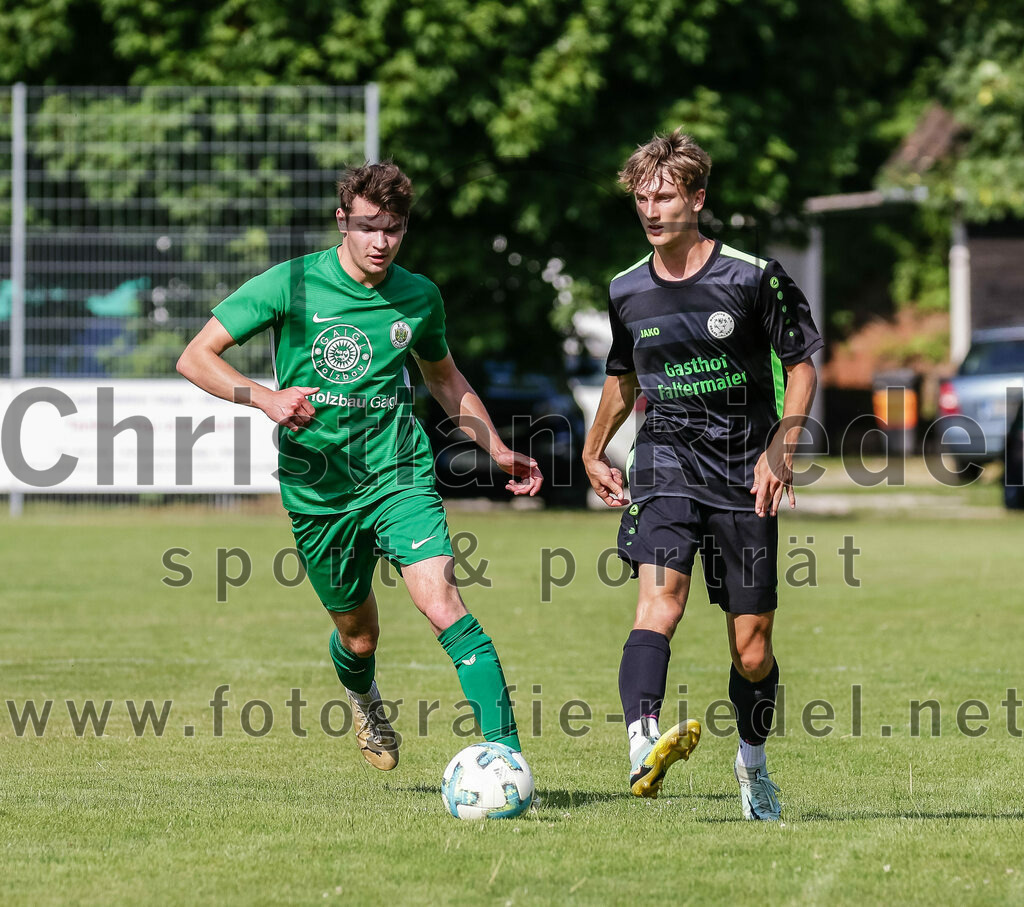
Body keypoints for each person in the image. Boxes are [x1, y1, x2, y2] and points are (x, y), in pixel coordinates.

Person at [177, 161, 541, 769]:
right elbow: (195, 357)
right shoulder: (289, 284)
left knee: (441, 600)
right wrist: (264, 397)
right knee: (359, 634)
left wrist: (497, 450)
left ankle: (505, 754)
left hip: (398, 473)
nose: (381, 242)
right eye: (369, 227)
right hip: (318, 490)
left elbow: (444, 378)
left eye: (394, 229)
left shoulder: (419, 296)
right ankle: (366, 701)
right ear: (342, 221)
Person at [582, 130, 822, 820]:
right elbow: (622, 378)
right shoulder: (627, 289)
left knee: (752, 649)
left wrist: (782, 447)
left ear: (697, 199)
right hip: (665, 463)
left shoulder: (752, 277)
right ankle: (641, 742)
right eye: (642, 198)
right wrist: (596, 449)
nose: (651, 210)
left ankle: (753, 768)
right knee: (661, 602)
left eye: (664, 196)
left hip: (746, 471)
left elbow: (802, 362)